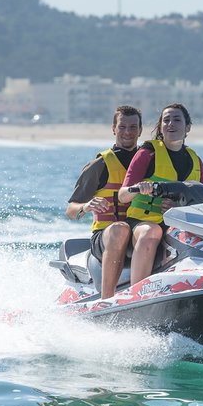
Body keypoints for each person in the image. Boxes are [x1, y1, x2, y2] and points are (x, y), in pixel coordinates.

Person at [118, 103, 203, 285]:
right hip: (142, 224)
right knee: (152, 231)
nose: (171, 124)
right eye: (166, 120)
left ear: (187, 127)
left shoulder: (195, 160)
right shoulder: (147, 154)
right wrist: (137, 189)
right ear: (160, 127)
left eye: (176, 120)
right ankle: (137, 294)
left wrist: (179, 207)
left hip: (177, 224)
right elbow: (122, 195)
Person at [66, 105, 143, 299]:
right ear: (113, 129)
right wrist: (86, 205)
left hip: (139, 233)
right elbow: (71, 210)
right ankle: (107, 300)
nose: (127, 132)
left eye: (133, 127)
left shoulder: (149, 161)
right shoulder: (100, 165)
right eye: (122, 126)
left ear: (140, 130)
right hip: (106, 236)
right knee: (120, 229)